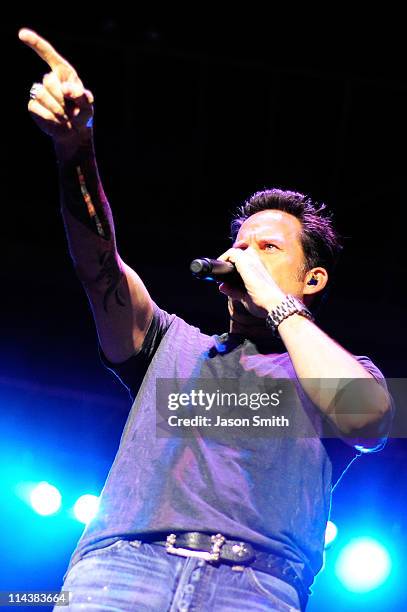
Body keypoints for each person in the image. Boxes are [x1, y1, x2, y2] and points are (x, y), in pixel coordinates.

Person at [19, 28, 393, 612]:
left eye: (267, 248)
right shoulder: (171, 343)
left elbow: (371, 419)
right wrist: (76, 151)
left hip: (257, 587)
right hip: (121, 572)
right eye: (239, 245)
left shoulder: (347, 372)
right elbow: (100, 268)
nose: (242, 255)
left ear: (313, 280)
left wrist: (276, 302)